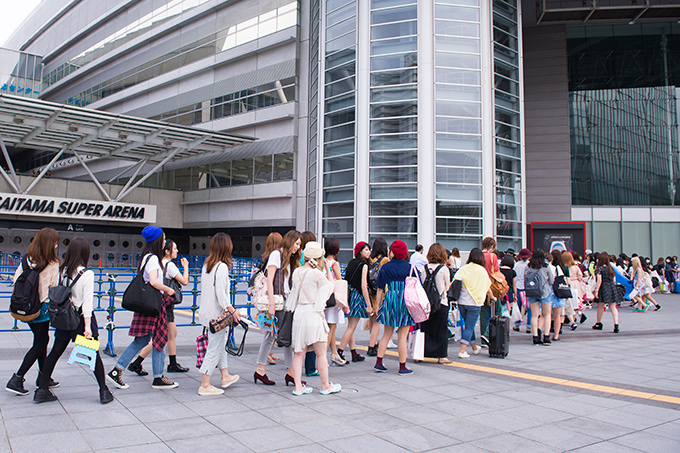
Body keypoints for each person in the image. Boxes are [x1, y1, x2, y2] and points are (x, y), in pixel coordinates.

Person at [33, 237, 114, 404]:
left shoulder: (63, 270)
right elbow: (87, 304)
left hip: (64, 319)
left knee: (55, 352)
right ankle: (104, 391)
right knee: (93, 355)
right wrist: (87, 327)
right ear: (85, 253)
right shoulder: (87, 274)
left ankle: (42, 390)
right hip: (79, 320)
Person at [107, 226, 178, 390]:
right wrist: (168, 289)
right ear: (157, 240)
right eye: (163, 237)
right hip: (153, 303)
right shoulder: (153, 258)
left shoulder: (147, 257)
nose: (165, 240)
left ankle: (120, 370)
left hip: (149, 303)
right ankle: (156, 377)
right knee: (158, 337)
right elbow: (153, 281)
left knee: (145, 339)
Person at [6, 227, 61, 396]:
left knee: (41, 340)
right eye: (56, 242)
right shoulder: (52, 263)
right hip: (41, 308)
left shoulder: (27, 259)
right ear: (51, 244)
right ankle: (17, 378)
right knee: (40, 343)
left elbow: (16, 280)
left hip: (26, 307)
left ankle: (44, 377)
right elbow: (54, 287)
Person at [128, 239, 190, 376]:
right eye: (174, 249)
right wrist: (186, 267)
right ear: (167, 251)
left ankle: (171, 363)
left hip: (159, 302)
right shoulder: (170, 266)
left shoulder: (158, 263)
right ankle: (137, 363)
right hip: (166, 304)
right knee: (160, 336)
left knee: (171, 333)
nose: (177, 251)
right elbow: (185, 281)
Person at [288, 241, 341, 396]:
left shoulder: (296, 272)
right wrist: (327, 269)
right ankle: (325, 385)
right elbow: (330, 286)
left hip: (299, 314)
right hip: (314, 315)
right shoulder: (316, 273)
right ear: (319, 257)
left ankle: (298, 386)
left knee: (298, 353)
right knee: (321, 354)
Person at [253, 230, 301, 386]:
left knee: (284, 337)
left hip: (285, 302)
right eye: (297, 244)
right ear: (290, 241)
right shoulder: (276, 255)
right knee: (271, 336)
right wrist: (272, 303)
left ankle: (289, 372)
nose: (298, 248)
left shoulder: (289, 258)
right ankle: (262, 370)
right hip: (277, 303)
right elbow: (270, 280)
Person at [198, 233, 241, 396]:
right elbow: (221, 295)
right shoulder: (222, 267)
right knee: (214, 348)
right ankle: (205, 384)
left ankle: (225, 375)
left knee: (219, 344)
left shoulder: (208, 264)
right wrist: (232, 311)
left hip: (207, 313)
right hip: (217, 314)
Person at [374, 240, 415, 374]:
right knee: (402, 336)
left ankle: (379, 362)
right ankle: (402, 366)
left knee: (387, 333)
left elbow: (380, 288)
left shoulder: (386, 267)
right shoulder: (410, 267)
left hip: (390, 298)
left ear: (392, 252)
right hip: (405, 299)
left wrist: (378, 305)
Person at [450, 248, 490, 358]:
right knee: (470, 326)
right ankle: (462, 351)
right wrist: (492, 296)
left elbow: (454, 282)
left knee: (468, 325)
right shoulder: (482, 271)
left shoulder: (464, 269)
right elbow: (487, 285)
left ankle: (474, 348)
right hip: (475, 302)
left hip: (462, 302)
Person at [338, 242, 372, 363]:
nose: (369, 252)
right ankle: (339, 352)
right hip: (357, 296)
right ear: (360, 251)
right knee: (352, 326)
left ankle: (353, 353)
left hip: (349, 296)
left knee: (350, 326)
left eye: (369, 250)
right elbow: (364, 286)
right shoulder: (364, 265)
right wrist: (368, 305)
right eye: (366, 250)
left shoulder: (352, 262)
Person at [420, 243, 452, 363]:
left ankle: (422, 353)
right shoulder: (444, 269)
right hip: (441, 303)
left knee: (426, 328)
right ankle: (441, 356)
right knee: (441, 329)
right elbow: (447, 287)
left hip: (426, 303)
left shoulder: (424, 268)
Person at [324, 237, 348, 366]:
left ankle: (334, 353)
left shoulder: (322, 261)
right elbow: (339, 281)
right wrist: (345, 304)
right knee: (331, 328)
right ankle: (322, 358)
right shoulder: (335, 263)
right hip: (334, 299)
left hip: (325, 297)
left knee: (329, 326)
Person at [299, 231, 319, 377]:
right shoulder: (318, 259)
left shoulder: (300, 259)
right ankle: (311, 367)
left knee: (300, 339)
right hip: (314, 302)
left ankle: (294, 370)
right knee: (313, 337)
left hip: (301, 303)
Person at [367, 237, 389, 356]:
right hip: (379, 292)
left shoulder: (370, 258)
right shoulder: (384, 260)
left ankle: (373, 341)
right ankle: (372, 346)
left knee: (371, 319)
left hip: (370, 291)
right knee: (377, 321)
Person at [526, 249, 553, 345]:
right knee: (547, 314)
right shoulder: (545, 266)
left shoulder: (529, 266)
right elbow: (551, 280)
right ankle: (546, 336)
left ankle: (535, 337)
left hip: (532, 292)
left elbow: (525, 277)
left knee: (534, 315)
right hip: (545, 292)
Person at [592, 251, 620, 333]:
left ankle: (598, 323)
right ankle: (616, 324)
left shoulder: (599, 269)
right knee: (613, 307)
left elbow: (599, 281)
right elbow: (614, 280)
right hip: (611, 287)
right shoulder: (610, 268)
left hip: (603, 288)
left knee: (600, 306)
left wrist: (596, 290)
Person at [480, 237, 501, 347]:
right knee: (498, 311)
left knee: (483, 313)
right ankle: (488, 334)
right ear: (492, 246)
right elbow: (497, 272)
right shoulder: (493, 256)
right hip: (492, 287)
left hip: (480, 287)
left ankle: (484, 337)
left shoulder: (478, 255)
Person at [548, 250, 567, 341]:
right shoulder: (558, 268)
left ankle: (545, 333)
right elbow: (563, 280)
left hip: (548, 292)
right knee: (557, 315)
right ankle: (556, 335)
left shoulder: (545, 267)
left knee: (546, 315)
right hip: (557, 293)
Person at [513, 248, 531, 333]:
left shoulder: (517, 264)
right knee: (529, 307)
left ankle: (517, 324)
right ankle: (529, 326)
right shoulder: (530, 265)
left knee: (519, 306)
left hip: (518, 287)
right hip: (527, 287)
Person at [499, 254, 517, 328]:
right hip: (509, 291)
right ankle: (506, 328)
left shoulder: (499, 270)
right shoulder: (513, 272)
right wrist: (515, 295)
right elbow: (514, 285)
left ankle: (499, 327)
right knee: (508, 311)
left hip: (500, 291)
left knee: (499, 310)